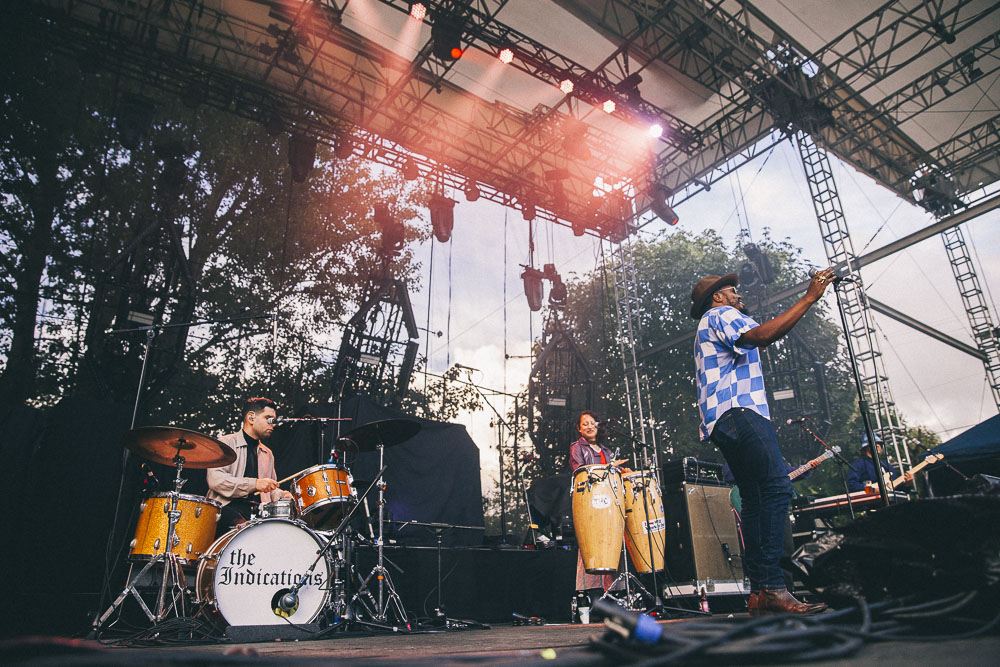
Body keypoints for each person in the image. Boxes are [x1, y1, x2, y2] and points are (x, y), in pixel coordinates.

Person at [691, 269, 834, 616]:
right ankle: (771, 587)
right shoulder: (720, 314)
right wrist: (809, 297)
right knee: (776, 488)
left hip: (722, 419)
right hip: (740, 412)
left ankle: (761, 594)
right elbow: (761, 335)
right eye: (732, 292)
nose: (740, 297)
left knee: (755, 499)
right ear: (718, 297)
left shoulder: (709, 324)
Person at [568, 410, 629, 620]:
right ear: (579, 429)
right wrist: (607, 468)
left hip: (609, 502)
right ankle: (589, 598)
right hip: (590, 502)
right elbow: (580, 471)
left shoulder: (607, 450)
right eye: (584, 424)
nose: (589, 426)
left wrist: (621, 471)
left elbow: (611, 475)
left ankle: (615, 595)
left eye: (592, 422)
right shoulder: (577, 448)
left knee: (612, 543)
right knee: (591, 545)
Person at [207, 397, 293, 530]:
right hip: (225, 510)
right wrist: (255, 484)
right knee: (246, 530)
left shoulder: (267, 453)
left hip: (258, 514)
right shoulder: (226, 443)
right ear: (251, 418)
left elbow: (270, 488)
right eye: (268, 418)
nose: (273, 424)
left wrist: (282, 495)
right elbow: (216, 480)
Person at [846, 432, 912, 492]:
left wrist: (907, 484)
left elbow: (899, 488)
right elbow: (852, 486)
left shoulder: (886, 465)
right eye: (874, 443)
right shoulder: (858, 464)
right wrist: (873, 490)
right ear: (866, 447)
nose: (878, 445)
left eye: (879, 444)